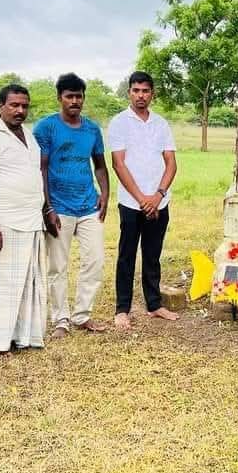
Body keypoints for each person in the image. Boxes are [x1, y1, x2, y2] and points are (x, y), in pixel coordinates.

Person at [0, 84, 47, 353]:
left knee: (25, 283)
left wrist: (46, 210)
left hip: (30, 221)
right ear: (0, 106)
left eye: (24, 106)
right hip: (2, 223)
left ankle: (21, 337)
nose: (20, 110)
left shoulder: (28, 135)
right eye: (14, 105)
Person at [35, 73, 110, 338]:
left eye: (79, 96)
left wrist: (105, 193)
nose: (75, 101)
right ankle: (61, 320)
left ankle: (82, 315)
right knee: (58, 266)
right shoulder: (46, 128)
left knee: (95, 261)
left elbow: (100, 165)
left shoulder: (92, 129)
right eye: (69, 96)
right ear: (60, 98)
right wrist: (47, 207)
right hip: (59, 208)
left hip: (89, 205)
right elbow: (41, 169)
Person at [107, 71, 178, 331]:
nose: (140, 95)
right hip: (131, 202)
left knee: (152, 254)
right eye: (136, 90)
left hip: (159, 201)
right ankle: (122, 309)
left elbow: (171, 163)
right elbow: (118, 164)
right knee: (126, 255)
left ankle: (154, 304)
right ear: (129, 93)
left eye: (145, 91)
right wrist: (142, 199)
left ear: (152, 94)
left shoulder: (161, 124)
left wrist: (157, 195)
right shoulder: (119, 123)